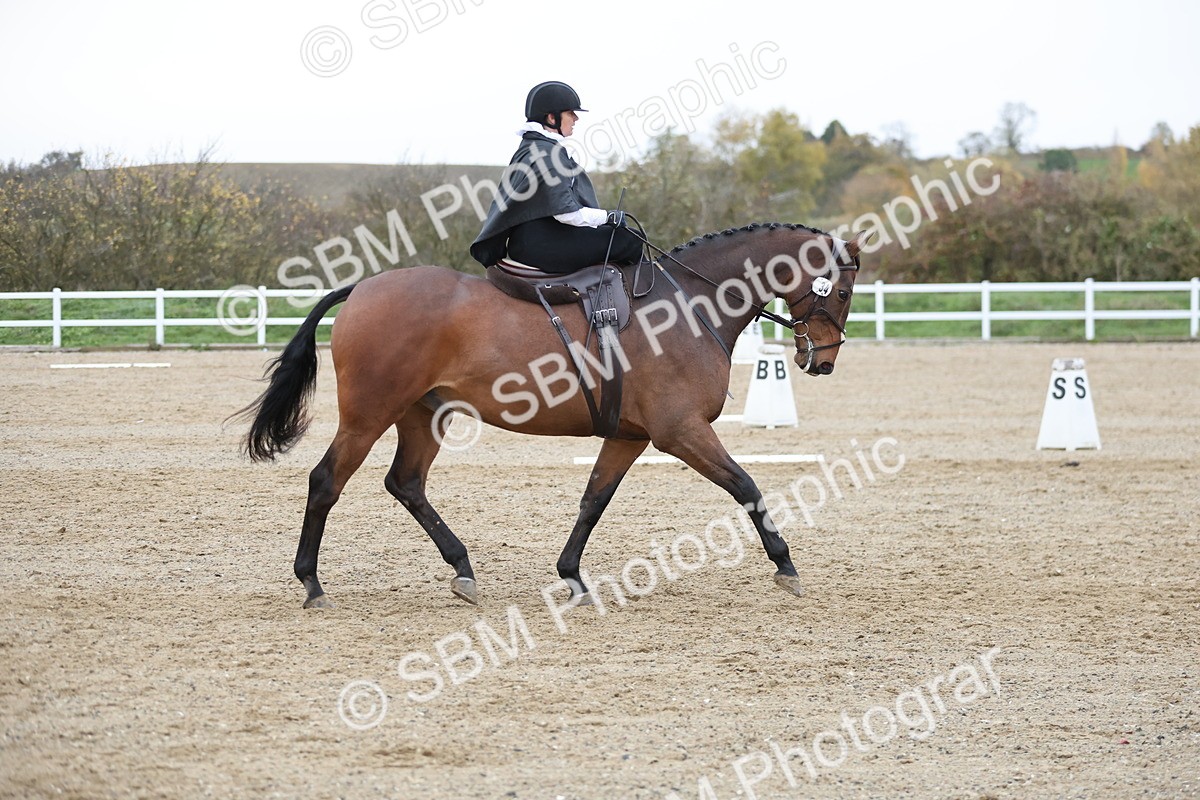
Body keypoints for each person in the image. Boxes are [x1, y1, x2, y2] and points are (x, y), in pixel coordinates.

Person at [470, 81, 643, 274]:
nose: (576, 118)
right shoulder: (547, 154)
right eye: (570, 113)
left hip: (534, 242)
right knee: (628, 240)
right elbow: (566, 213)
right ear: (552, 118)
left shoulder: (534, 147)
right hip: (542, 246)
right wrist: (607, 217)